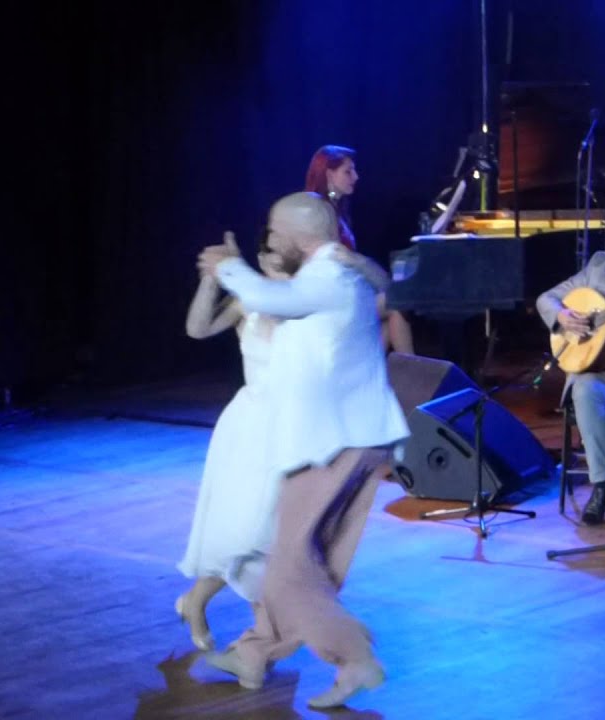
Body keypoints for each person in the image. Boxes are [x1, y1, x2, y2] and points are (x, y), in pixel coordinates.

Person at [195, 192, 409, 709]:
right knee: (310, 564)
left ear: (295, 237)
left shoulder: (326, 278)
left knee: (288, 570)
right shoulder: (341, 271)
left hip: (329, 445)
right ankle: (254, 652)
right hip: (356, 440)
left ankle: (355, 657)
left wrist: (228, 268)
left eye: (273, 233)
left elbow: (274, 301)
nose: (268, 241)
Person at [175, 232, 289, 651]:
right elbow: (197, 328)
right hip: (253, 427)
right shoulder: (249, 300)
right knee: (249, 531)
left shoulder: (306, 302)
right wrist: (214, 278)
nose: (280, 262)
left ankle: (263, 641)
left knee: (279, 537)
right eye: (273, 254)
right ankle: (200, 603)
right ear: (260, 259)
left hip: (296, 428)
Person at [536, 250, 605, 526]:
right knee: (584, 389)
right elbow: (545, 298)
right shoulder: (598, 266)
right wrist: (563, 316)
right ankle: (603, 484)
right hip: (600, 375)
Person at [305, 145, 414, 354]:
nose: (356, 177)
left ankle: (373, 380)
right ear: (329, 174)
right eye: (348, 171)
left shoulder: (337, 209)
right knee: (396, 301)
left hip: (344, 298)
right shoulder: (317, 212)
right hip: (331, 306)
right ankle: (413, 372)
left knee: (387, 320)